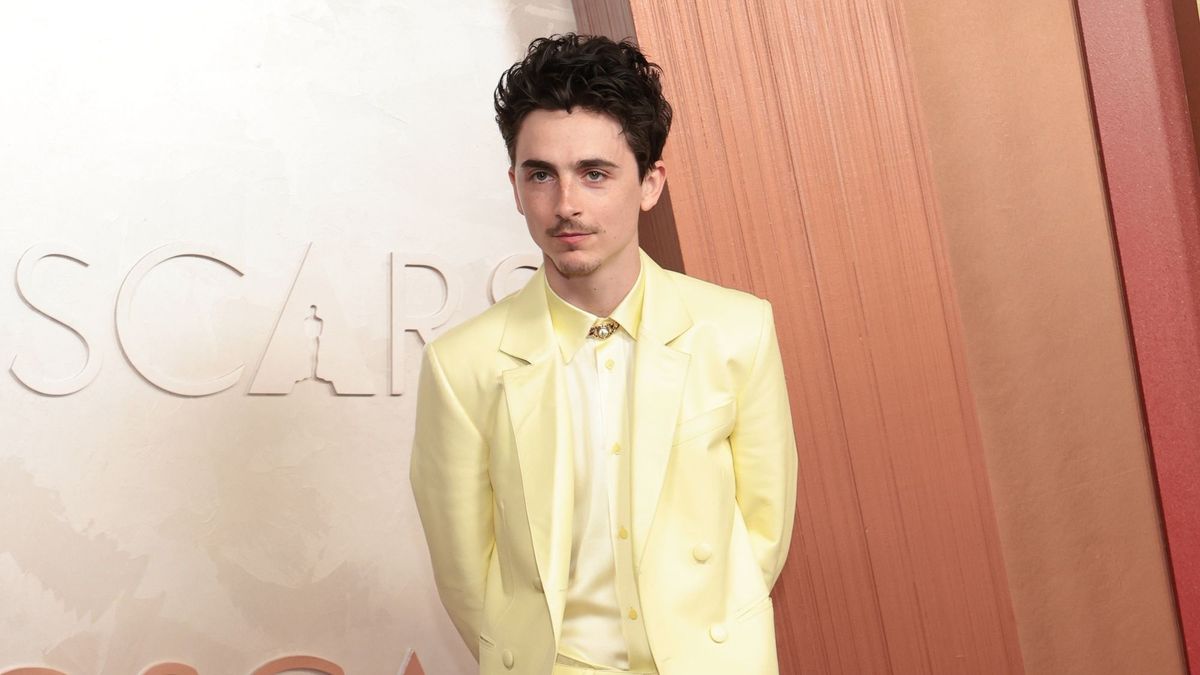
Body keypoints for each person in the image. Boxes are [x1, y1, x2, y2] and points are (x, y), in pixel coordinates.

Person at [410, 33, 798, 675]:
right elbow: (465, 573)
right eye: (542, 175)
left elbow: (764, 526)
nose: (566, 205)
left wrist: (710, 636)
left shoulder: (737, 330)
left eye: (595, 173)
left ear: (650, 183)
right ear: (515, 186)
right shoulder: (463, 366)